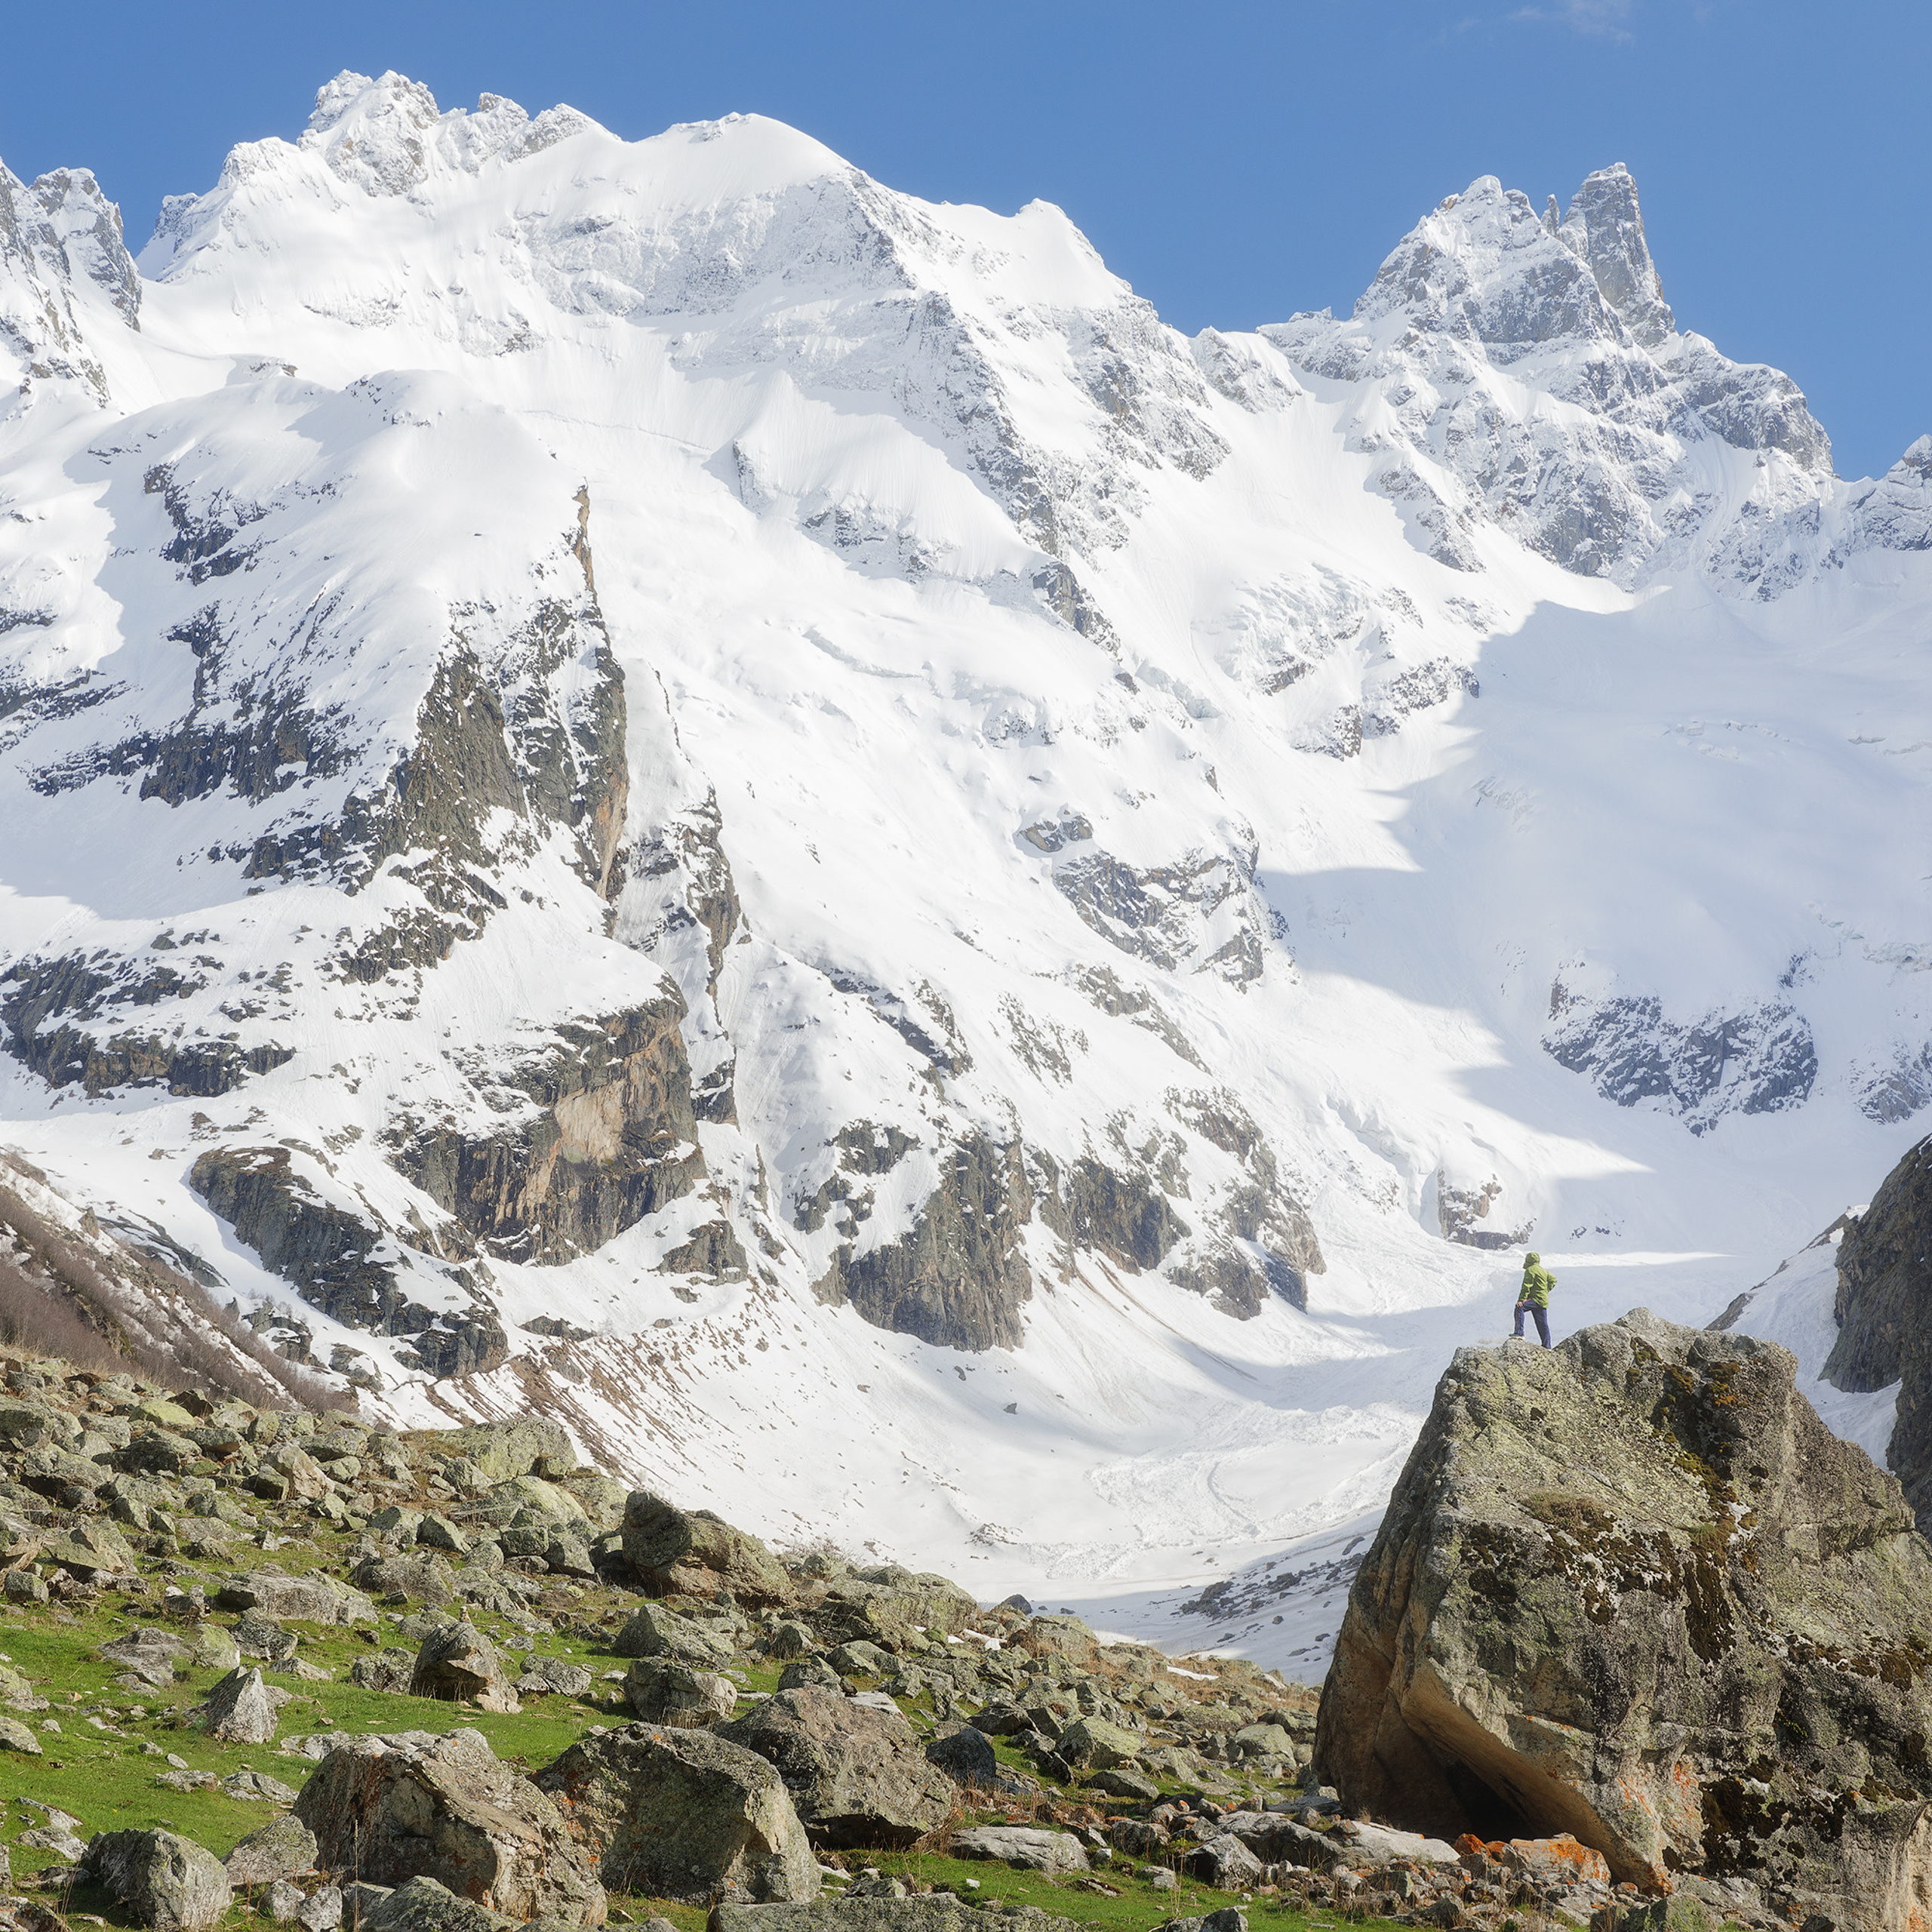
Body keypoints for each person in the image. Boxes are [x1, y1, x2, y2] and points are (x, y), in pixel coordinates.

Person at [1513, 1251, 1555, 1347]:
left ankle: (1519, 1333)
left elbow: (1526, 1286)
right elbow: (1553, 1280)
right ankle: (1547, 1346)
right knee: (1542, 1324)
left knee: (1519, 1308)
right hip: (1543, 1301)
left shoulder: (1530, 1270)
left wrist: (1521, 1300)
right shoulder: (1543, 1270)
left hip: (1535, 1299)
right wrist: (1546, 1291)